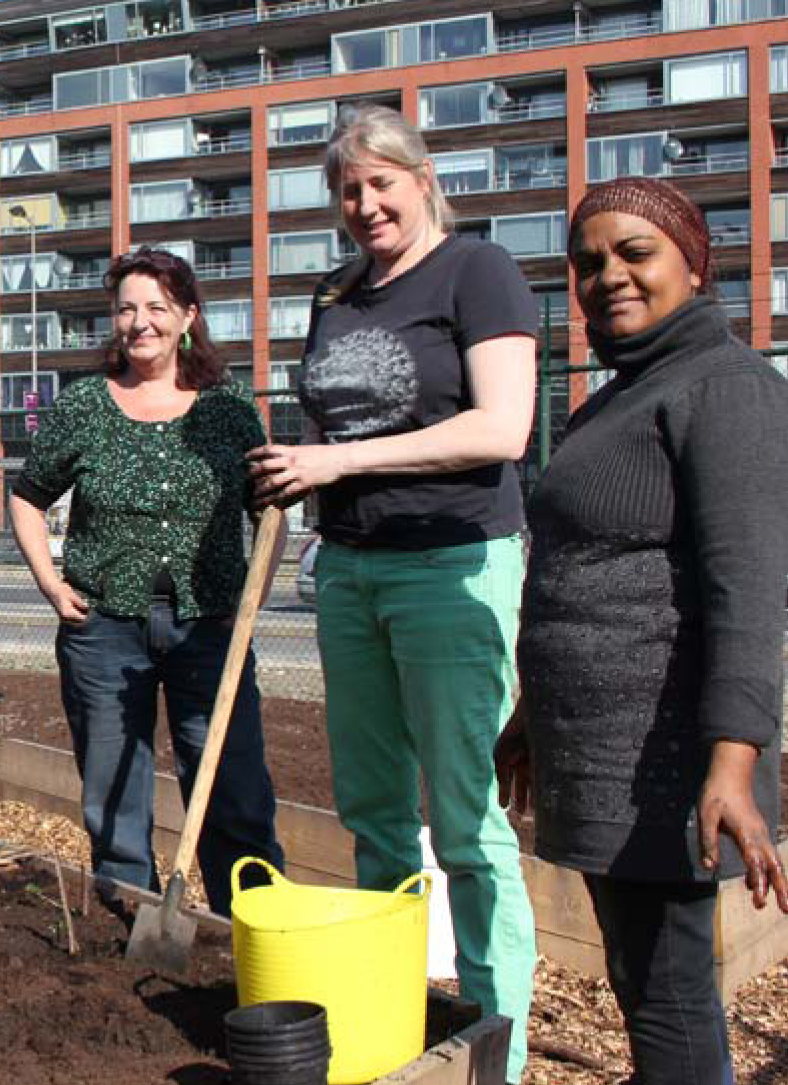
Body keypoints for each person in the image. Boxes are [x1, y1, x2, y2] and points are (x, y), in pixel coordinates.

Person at [246, 104, 537, 1080]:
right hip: (349, 569)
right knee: (371, 812)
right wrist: (299, 472)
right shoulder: (334, 293)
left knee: (465, 819)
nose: (365, 203)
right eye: (347, 190)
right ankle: (391, 1016)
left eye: (380, 182)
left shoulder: (476, 270)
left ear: (421, 179)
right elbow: (327, 431)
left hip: (450, 566)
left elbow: (501, 429)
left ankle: (496, 1045)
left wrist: (335, 461)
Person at [497, 178, 788, 1084]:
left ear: (693, 265)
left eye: (634, 252)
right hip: (597, 752)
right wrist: (530, 716)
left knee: (666, 991)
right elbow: (574, 573)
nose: (607, 277)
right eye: (588, 263)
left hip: (660, 760)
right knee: (638, 976)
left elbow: (748, 590)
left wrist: (731, 761)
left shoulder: (725, 387)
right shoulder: (621, 395)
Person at [9, 247, 284, 916]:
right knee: (114, 790)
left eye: (156, 307)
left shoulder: (226, 407)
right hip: (103, 629)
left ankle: (249, 921)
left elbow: (270, 506)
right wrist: (50, 582)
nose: (140, 322)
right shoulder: (84, 405)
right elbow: (26, 495)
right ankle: (129, 909)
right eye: (127, 308)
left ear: (187, 317)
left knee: (230, 783)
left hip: (210, 626)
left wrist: (253, 597)